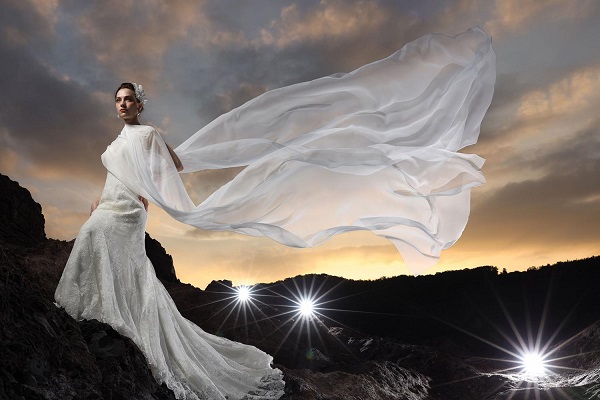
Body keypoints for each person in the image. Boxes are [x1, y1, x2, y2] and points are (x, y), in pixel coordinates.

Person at [55, 27, 495, 399]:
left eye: (129, 98)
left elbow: (166, 172)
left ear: (140, 104)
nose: (123, 104)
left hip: (130, 212)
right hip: (109, 204)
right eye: (118, 99)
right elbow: (117, 173)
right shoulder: (114, 144)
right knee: (92, 236)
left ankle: (125, 327)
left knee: (117, 254)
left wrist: (144, 198)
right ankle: (97, 315)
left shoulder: (149, 135)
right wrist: (102, 200)